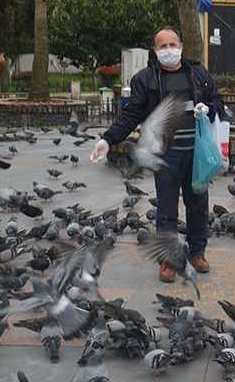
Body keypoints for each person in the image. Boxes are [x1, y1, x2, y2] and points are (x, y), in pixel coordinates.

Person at [90, 26, 225, 283]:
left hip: (196, 155)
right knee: (165, 209)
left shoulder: (198, 74)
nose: (169, 50)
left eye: (173, 45)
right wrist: (107, 140)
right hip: (166, 157)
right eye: (163, 46)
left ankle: (197, 253)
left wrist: (208, 107)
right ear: (155, 51)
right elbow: (130, 115)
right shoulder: (145, 80)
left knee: (198, 205)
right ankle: (168, 260)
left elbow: (219, 102)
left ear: (181, 46)